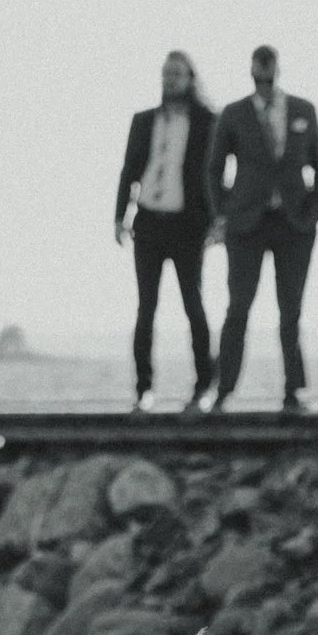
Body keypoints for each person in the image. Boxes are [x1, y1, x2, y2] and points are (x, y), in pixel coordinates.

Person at [205, 46, 318, 412]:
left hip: (294, 224)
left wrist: (313, 212)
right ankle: (224, 389)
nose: (264, 78)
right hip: (247, 224)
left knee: (290, 309)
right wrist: (223, 213)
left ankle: (295, 390)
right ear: (250, 71)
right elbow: (214, 170)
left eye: (269, 71)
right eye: (258, 72)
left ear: (278, 70)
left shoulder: (303, 110)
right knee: (238, 307)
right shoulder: (234, 114)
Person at [114, 50, 217, 410]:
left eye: (176, 74)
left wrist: (218, 219)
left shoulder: (208, 122)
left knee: (194, 305)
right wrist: (119, 216)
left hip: (188, 226)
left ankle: (205, 385)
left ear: (190, 78)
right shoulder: (143, 121)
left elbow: (216, 175)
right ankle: (144, 389)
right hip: (149, 223)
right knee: (146, 309)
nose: (170, 80)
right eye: (165, 74)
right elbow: (129, 169)